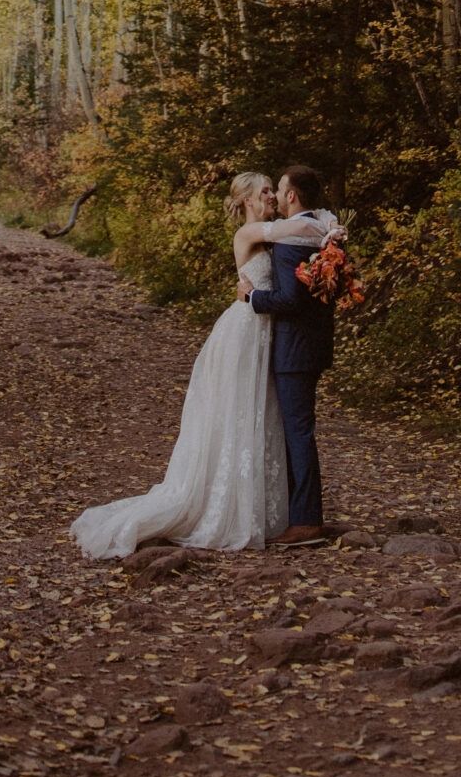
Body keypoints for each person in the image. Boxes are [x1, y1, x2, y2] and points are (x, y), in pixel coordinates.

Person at [68, 170, 338, 557]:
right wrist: (329, 227)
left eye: (273, 190)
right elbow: (302, 231)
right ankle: (226, 505)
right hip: (245, 330)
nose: (270, 197)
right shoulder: (251, 234)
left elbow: (302, 232)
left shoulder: (279, 229)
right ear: (246, 200)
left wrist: (328, 226)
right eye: (264, 192)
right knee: (235, 414)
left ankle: (266, 507)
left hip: (268, 334)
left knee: (263, 415)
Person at [243, 164, 336, 547]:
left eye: (279, 190)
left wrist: (251, 297)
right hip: (313, 344)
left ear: (292, 196)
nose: (276, 196)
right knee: (298, 430)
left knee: (298, 432)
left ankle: (307, 520)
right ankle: (298, 513)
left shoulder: (289, 242)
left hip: (294, 349)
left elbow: (288, 299)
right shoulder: (323, 231)